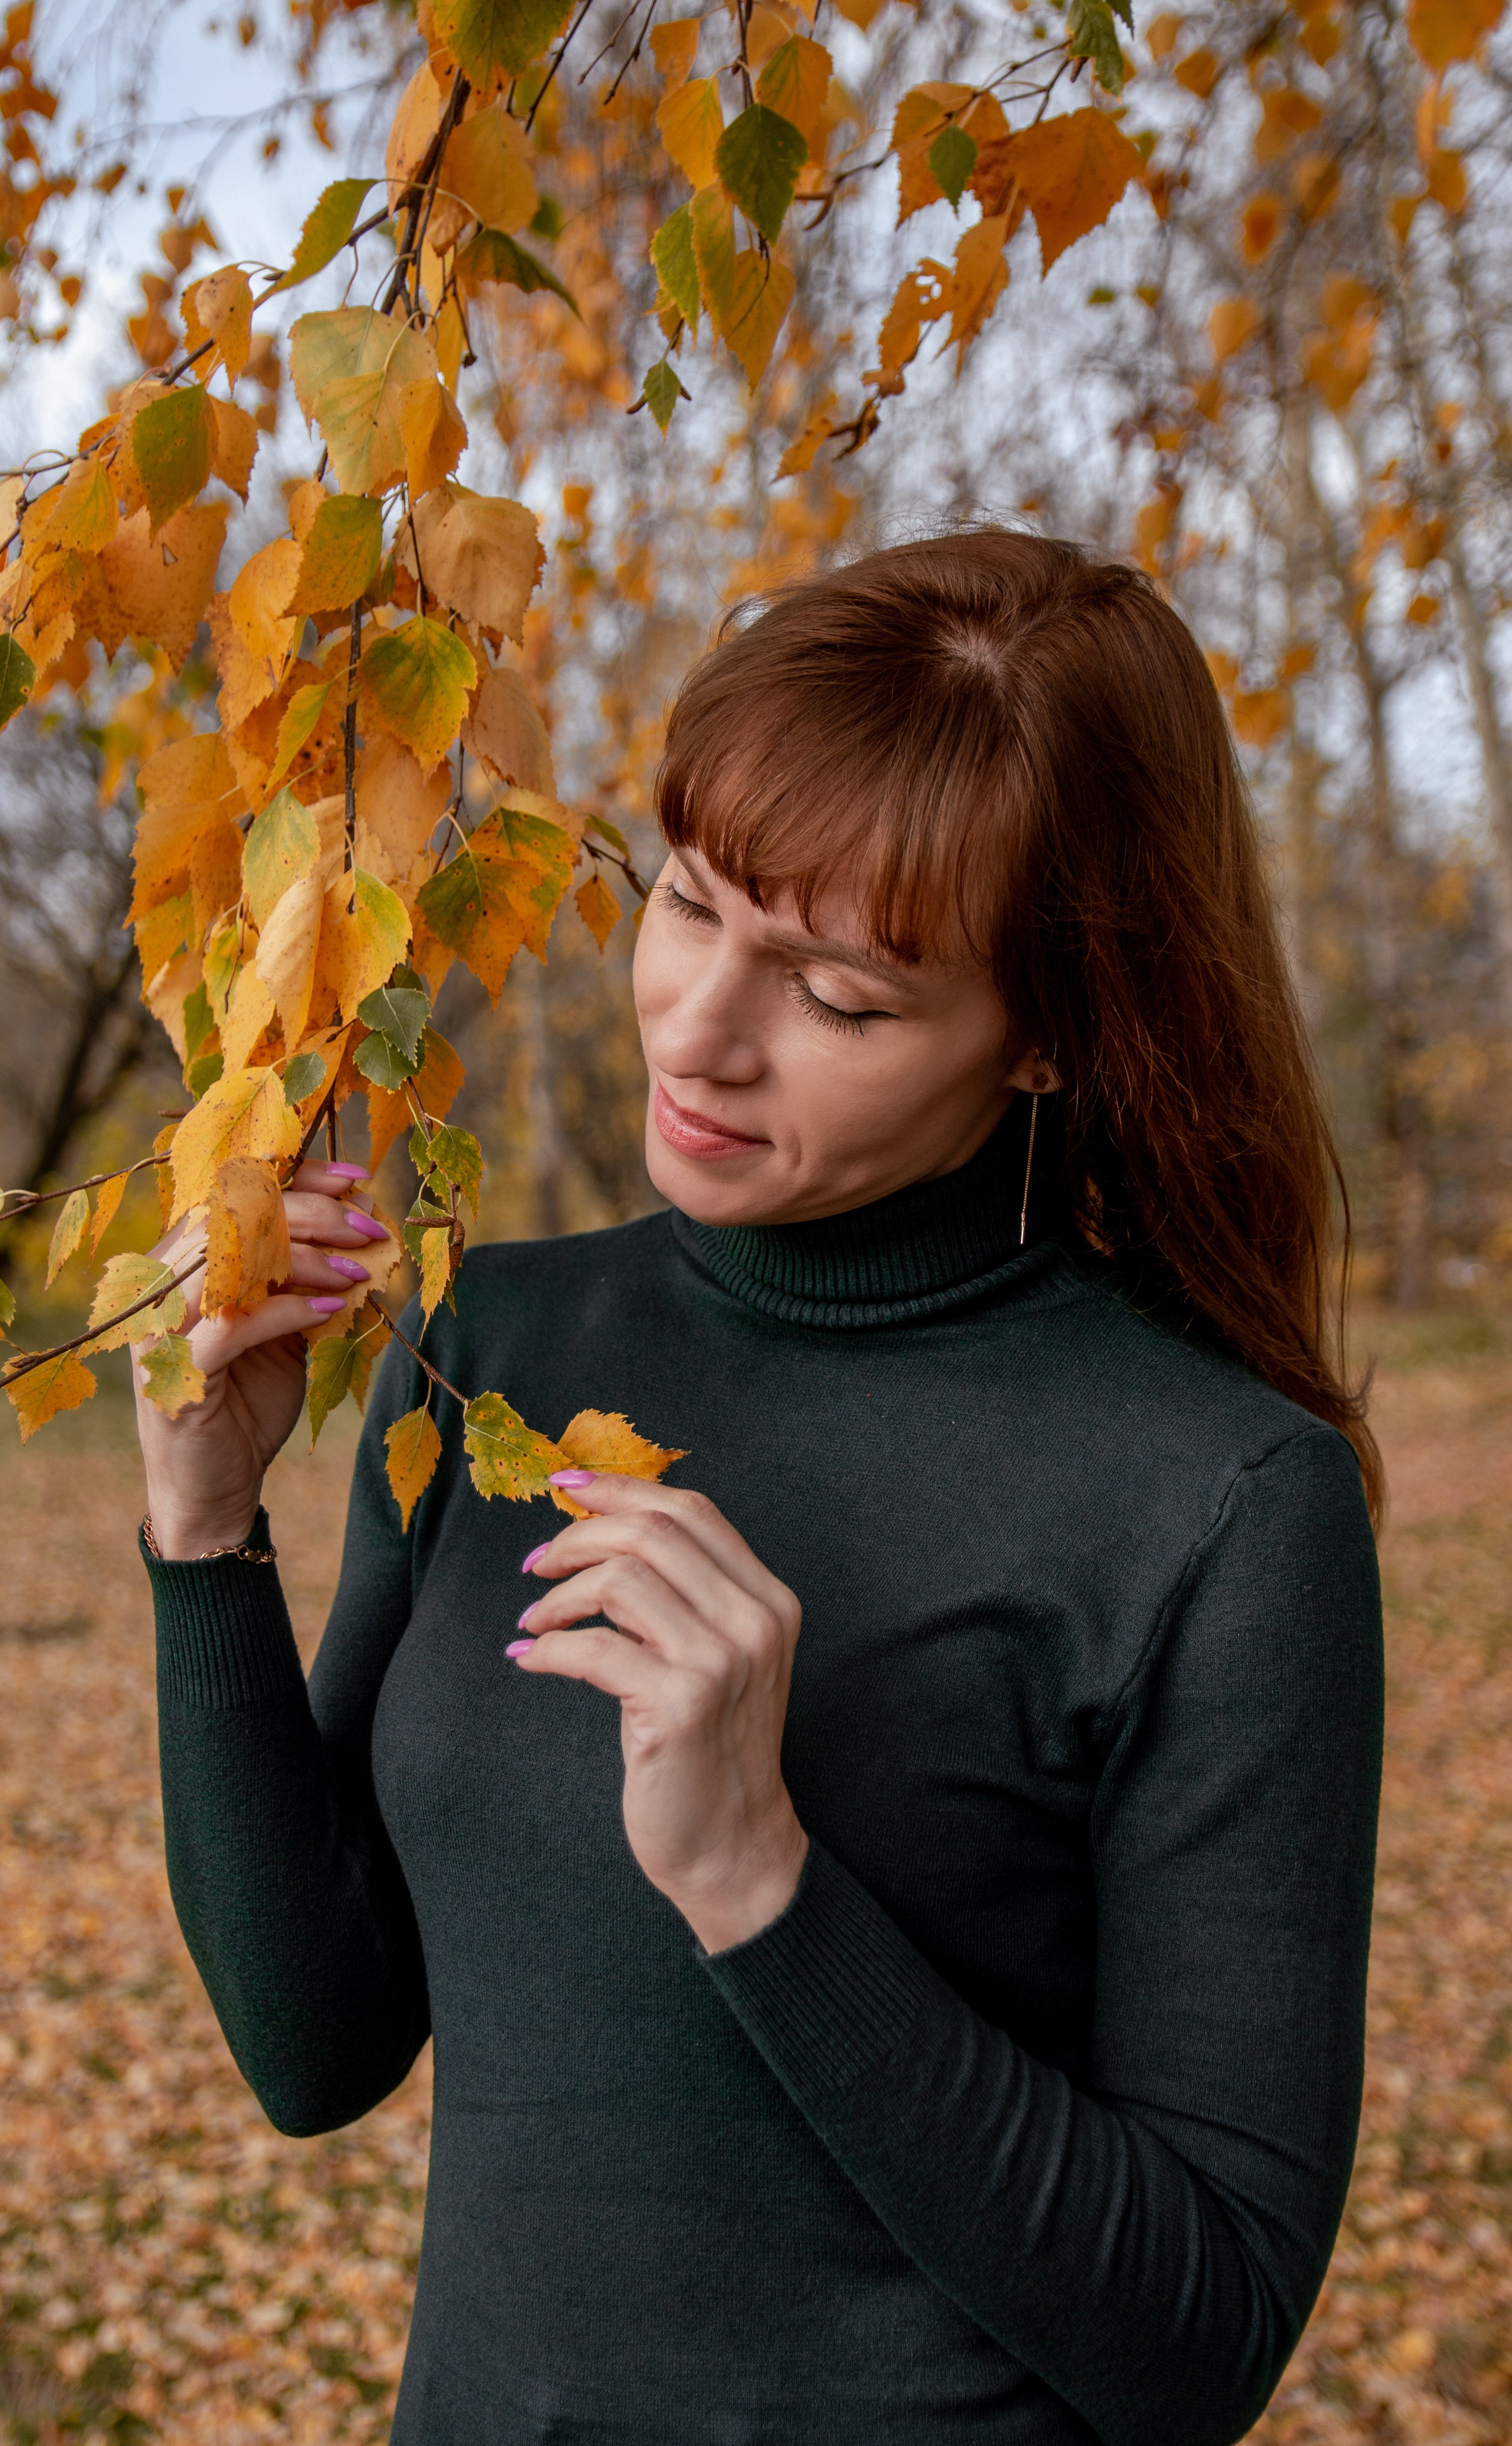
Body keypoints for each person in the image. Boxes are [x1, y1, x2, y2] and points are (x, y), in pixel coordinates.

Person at [134, 531, 1384, 2446]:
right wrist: (208, 1535)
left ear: (1054, 1034)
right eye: (691, 903)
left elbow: (1198, 2341)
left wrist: (757, 1876)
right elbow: (315, 2048)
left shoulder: (1220, 1502)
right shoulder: (495, 1350)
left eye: (842, 998)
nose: (698, 1029)